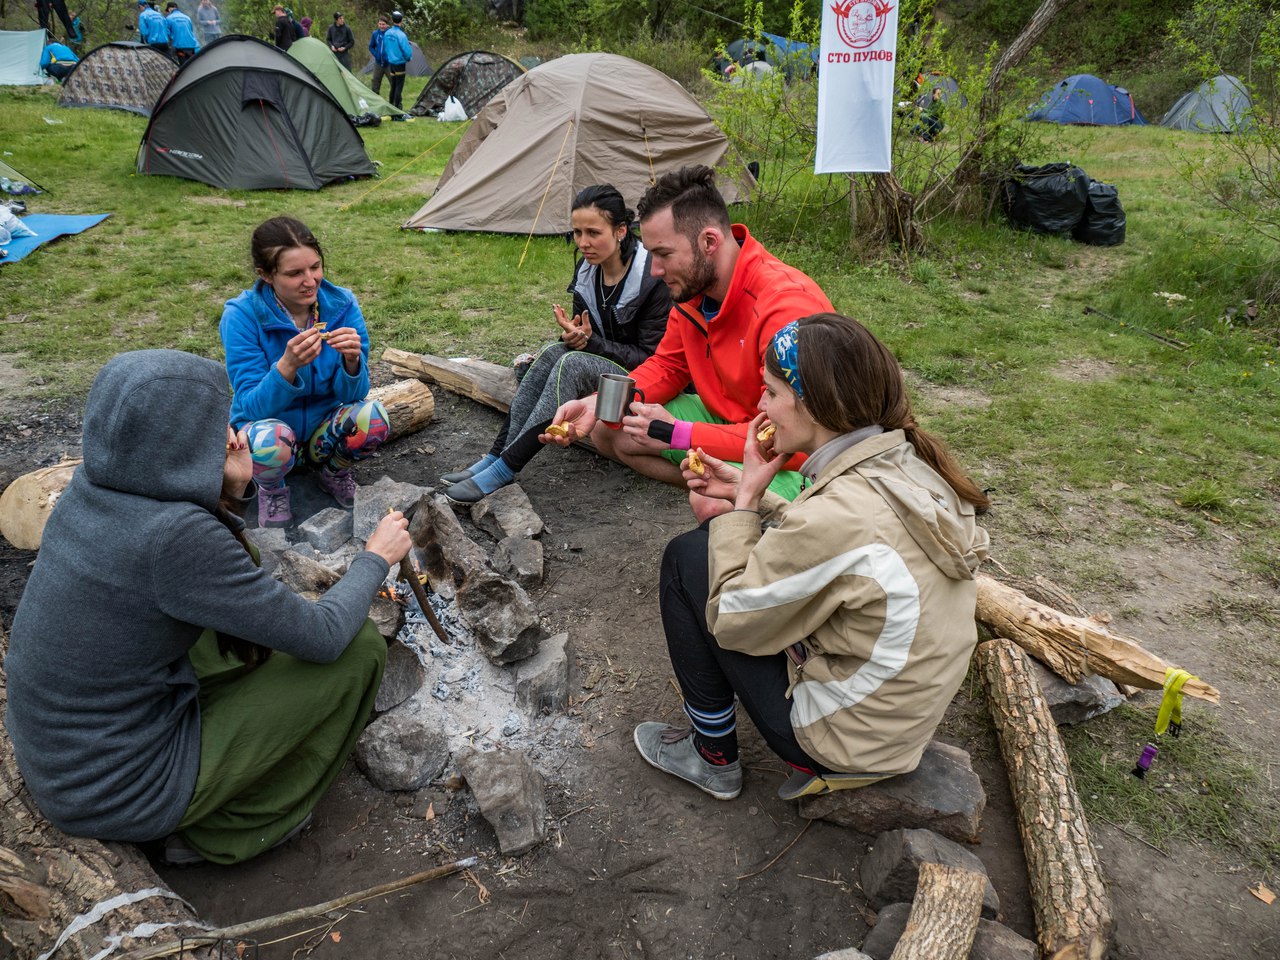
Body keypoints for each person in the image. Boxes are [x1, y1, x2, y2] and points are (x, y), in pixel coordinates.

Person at [3, 349, 413, 865]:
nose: (230, 432)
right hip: (114, 787)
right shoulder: (173, 536)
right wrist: (374, 559)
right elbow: (324, 635)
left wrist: (231, 487)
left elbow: (222, 571)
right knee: (358, 648)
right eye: (215, 421)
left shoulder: (97, 487)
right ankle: (231, 828)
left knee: (232, 639)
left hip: (64, 752)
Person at [633, 314, 991, 802]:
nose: (760, 406)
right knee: (718, 546)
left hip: (844, 743)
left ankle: (711, 756)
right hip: (898, 720)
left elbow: (733, 620)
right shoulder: (907, 461)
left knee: (688, 558)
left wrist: (739, 510)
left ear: (814, 406)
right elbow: (834, 541)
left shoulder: (837, 516)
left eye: (771, 392)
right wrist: (750, 491)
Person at [544, 165, 832, 508]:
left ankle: (733, 493)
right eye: (651, 255)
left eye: (664, 254)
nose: (654, 271)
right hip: (726, 418)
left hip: (794, 446)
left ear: (709, 241)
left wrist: (680, 433)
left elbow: (795, 433)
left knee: (711, 504)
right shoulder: (694, 292)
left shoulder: (784, 307)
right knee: (609, 425)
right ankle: (716, 480)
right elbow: (668, 365)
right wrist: (598, 401)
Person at [440, 185, 672, 504]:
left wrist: (591, 344)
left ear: (620, 231)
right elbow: (584, 335)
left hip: (644, 379)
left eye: (593, 232)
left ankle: (506, 467)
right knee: (554, 352)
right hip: (605, 367)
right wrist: (574, 336)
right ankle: (495, 456)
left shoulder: (650, 279)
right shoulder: (587, 270)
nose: (583, 242)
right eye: (577, 232)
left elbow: (653, 358)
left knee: (571, 364)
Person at [220, 216, 390, 526]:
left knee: (374, 417)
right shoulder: (242, 316)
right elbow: (251, 406)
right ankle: (271, 489)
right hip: (269, 436)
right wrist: (286, 367)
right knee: (268, 437)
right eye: (294, 273)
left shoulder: (341, 306)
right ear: (266, 275)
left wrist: (352, 363)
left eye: (315, 267)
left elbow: (356, 395)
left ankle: (333, 473)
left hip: (319, 436)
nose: (310, 281)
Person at [382, 10, 410, 113]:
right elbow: (406, 51)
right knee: (399, 86)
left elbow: (385, 46)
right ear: (401, 21)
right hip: (400, 63)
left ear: (392, 20)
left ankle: (391, 104)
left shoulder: (387, 33)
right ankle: (397, 108)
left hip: (391, 63)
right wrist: (408, 58)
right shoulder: (401, 35)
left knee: (393, 85)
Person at [367, 15, 388, 93]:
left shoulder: (390, 34)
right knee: (375, 82)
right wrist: (376, 55)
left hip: (389, 64)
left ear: (386, 25)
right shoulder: (375, 34)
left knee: (394, 83)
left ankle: (396, 103)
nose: (381, 26)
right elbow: (371, 46)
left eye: (383, 24)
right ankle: (375, 101)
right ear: (378, 24)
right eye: (380, 24)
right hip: (378, 63)